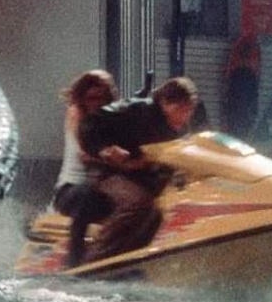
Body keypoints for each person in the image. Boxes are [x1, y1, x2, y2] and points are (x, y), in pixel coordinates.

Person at [78, 76, 203, 262]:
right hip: (107, 171)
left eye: (189, 110)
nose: (185, 116)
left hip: (138, 175)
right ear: (164, 102)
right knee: (137, 201)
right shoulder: (137, 110)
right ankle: (96, 258)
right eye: (180, 109)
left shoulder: (178, 127)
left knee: (162, 207)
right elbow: (89, 123)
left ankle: (135, 257)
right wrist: (104, 149)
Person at [52, 70, 119, 267]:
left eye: (101, 98)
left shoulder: (110, 117)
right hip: (70, 191)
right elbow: (83, 152)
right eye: (90, 98)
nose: (95, 103)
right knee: (88, 193)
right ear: (82, 98)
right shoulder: (76, 113)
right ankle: (74, 261)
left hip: (102, 188)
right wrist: (112, 157)